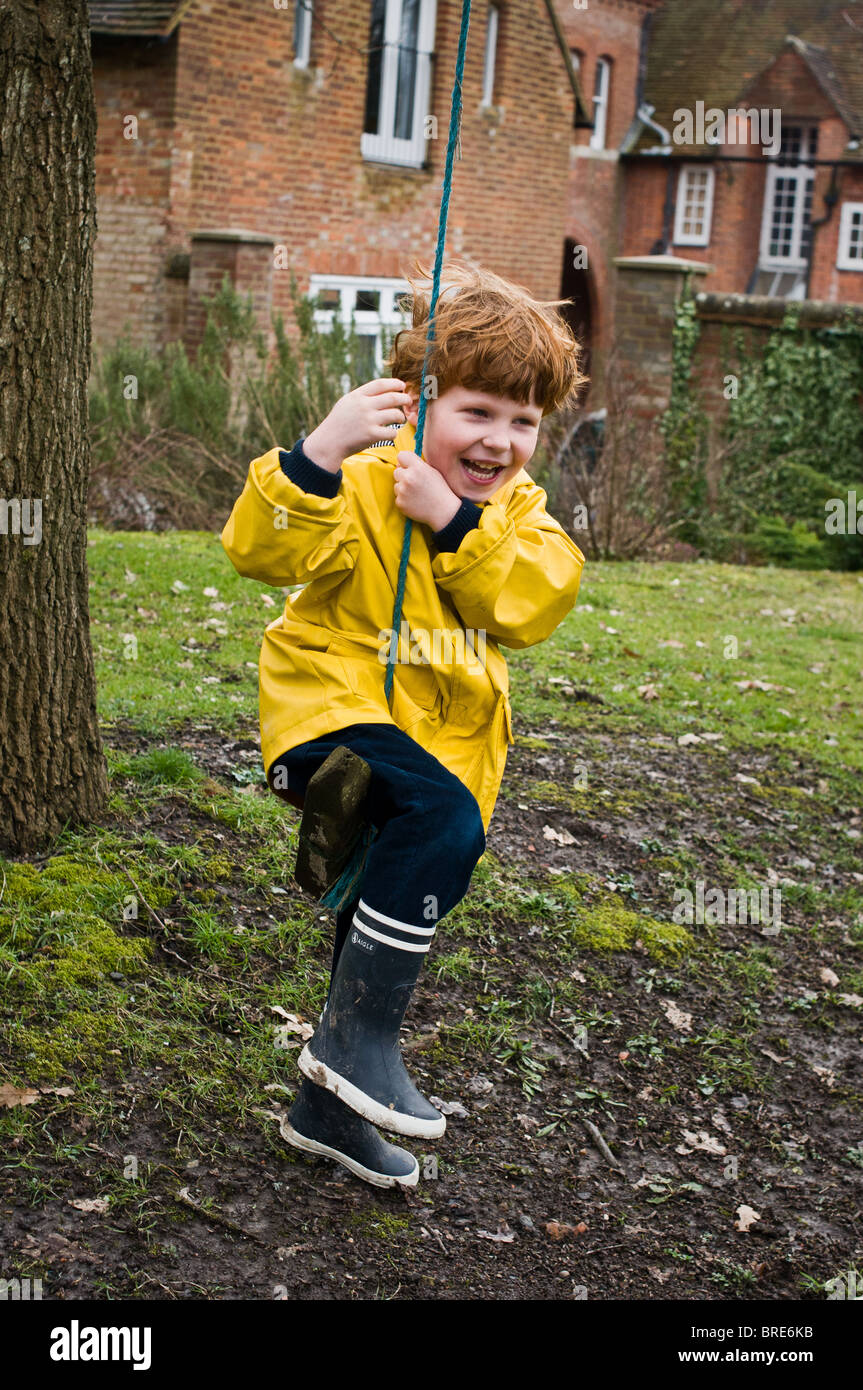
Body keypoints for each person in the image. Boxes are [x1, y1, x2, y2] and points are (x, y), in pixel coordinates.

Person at [221, 259, 588, 1189]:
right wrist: (319, 450)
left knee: (385, 897)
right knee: (440, 822)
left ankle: (328, 1108)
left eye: (522, 422)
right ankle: (361, 1045)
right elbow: (258, 551)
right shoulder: (367, 483)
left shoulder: (522, 520)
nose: (499, 440)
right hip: (331, 710)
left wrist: (457, 522)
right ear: (415, 401)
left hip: (432, 749)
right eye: (477, 411)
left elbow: (534, 601)